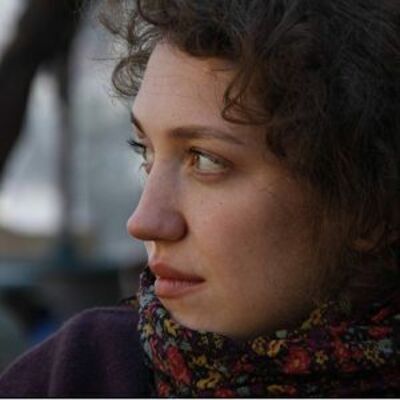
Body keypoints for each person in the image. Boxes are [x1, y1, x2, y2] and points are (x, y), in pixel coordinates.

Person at [0, 0, 399, 396]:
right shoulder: (81, 372)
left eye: (206, 160)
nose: (143, 222)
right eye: (145, 153)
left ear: (368, 208)